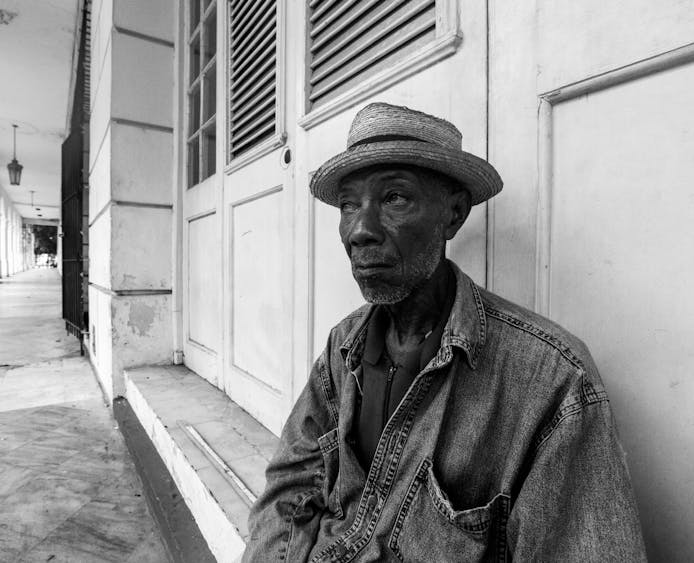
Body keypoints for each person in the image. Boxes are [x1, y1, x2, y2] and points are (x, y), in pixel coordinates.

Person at [242, 103, 646, 562]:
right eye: (349, 204)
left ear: (453, 214)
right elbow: (292, 485)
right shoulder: (344, 345)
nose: (360, 230)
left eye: (395, 198)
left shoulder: (550, 380)